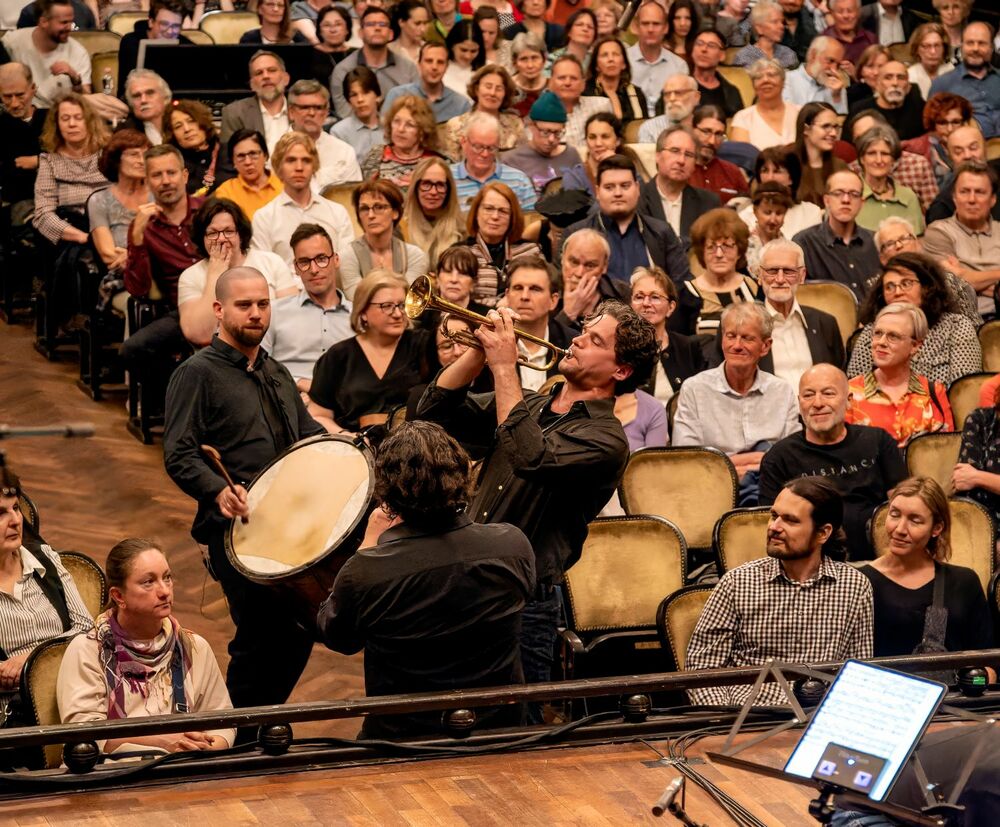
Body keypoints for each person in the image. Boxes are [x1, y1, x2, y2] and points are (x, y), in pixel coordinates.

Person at [416, 298, 658, 691]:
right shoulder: (529, 403)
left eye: (595, 340)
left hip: (523, 603)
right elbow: (432, 413)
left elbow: (529, 455)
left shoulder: (606, 440)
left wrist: (503, 365)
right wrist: (479, 351)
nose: (577, 341)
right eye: (583, 331)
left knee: (514, 723)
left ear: (621, 369)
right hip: (463, 583)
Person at [164, 267, 325, 716]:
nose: (256, 313)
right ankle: (238, 733)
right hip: (237, 533)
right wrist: (217, 490)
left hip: (288, 529)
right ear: (219, 310)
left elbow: (307, 434)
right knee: (259, 638)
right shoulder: (196, 374)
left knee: (296, 631)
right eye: (244, 305)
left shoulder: (274, 371)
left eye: (263, 304)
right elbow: (179, 453)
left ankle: (253, 725)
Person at [318, 421, 534, 739]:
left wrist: (367, 546)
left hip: (404, 738)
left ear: (386, 492)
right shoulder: (513, 545)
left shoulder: (367, 570)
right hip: (499, 729)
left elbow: (340, 638)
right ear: (463, 475)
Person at [686, 475, 874, 706]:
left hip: (817, 716)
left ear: (823, 533)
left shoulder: (854, 586)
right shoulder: (738, 582)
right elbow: (703, 669)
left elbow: (858, 672)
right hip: (747, 717)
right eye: (774, 516)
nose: (774, 527)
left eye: (790, 520)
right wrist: (728, 721)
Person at [56, 538, 236, 755]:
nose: (164, 591)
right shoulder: (88, 651)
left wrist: (204, 749)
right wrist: (163, 743)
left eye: (167, 578)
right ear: (118, 596)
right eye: (148, 582)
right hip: (115, 774)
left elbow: (223, 722)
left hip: (186, 769)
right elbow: (86, 738)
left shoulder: (194, 647)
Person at [760, 363, 906, 559]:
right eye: (808, 395)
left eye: (828, 393)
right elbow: (772, 524)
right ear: (799, 403)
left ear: (848, 401)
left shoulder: (878, 441)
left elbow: (904, 506)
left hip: (880, 561)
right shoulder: (779, 457)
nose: (817, 403)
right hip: (807, 565)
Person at [861, 477, 993, 661]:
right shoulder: (861, 582)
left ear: (936, 528)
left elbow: (987, 658)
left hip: (952, 688)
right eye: (895, 514)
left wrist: (977, 681)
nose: (900, 528)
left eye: (915, 520)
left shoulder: (963, 581)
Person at [673, 302, 800, 486]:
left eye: (747, 338)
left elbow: (792, 457)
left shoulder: (782, 391)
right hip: (712, 487)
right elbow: (688, 458)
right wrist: (756, 462)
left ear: (765, 346)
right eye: (730, 336)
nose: (737, 345)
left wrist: (724, 462)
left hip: (770, 490)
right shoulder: (694, 389)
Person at [0, 465, 92, 701]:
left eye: (16, 508)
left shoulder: (44, 559)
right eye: (1, 513)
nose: (15, 521)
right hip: (12, 710)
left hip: (72, 689)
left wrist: (32, 659)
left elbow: (86, 629)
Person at [308, 270, 431, 434]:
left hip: (416, 447)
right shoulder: (338, 356)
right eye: (386, 306)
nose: (397, 314)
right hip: (355, 452)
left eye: (402, 305)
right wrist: (347, 439)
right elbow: (318, 415)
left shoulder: (423, 344)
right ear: (363, 312)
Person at [121, 145, 202, 377]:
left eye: (171, 173)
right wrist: (137, 238)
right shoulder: (143, 226)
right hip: (182, 310)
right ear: (147, 182)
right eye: (157, 175)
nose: (165, 181)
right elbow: (138, 288)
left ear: (184, 176)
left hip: (225, 302)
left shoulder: (209, 209)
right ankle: (175, 397)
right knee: (131, 351)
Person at [178, 198, 297, 348]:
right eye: (213, 233)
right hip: (217, 360)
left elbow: (292, 320)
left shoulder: (272, 262)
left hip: (274, 350)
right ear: (202, 238)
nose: (221, 239)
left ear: (240, 235)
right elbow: (199, 334)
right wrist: (216, 273)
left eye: (228, 231)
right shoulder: (190, 276)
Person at [848, 252, 981, 385]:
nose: (898, 292)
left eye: (906, 283)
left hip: (939, 403)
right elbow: (854, 389)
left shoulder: (956, 326)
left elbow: (964, 389)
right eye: (889, 287)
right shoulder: (872, 331)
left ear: (927, 287)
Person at [845, 302, 955, 447]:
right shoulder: (849, 392)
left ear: (915, 346)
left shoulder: (934, 392)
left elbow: (945, 451)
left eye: (893, 336)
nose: (881, 342)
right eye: (878, 333)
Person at [262, 223, 353, 393]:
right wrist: (297, 383)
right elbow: (256, 364)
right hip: (288, 401)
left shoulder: (359, 316)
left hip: (345, 405)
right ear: (296, 268)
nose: (314, 269)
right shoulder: (274, 312)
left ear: (336, 260)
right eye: (304, 262)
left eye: (321, 259)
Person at [250, 131, 355, 269]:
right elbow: (263, 272)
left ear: (314, 166)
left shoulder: (337, 212)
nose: (299, 168)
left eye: (306, 160)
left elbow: (347, 266)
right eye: (291, 160)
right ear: (279, 167)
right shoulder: (264, 218)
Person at [756, 238, 844, 386]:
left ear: (802, 276)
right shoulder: (745, 325)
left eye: (789, 271)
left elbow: (838, 379)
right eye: (772, 271)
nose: (780, 279)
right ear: (759, 275)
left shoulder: (825, 323)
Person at [922, 160, 1000, 319]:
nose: (972, 199)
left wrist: (966, 275)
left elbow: (962, 282)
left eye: (979, 192)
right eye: (964, 191)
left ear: (992, 199)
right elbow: (952, 284)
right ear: (954, 197)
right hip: (961, 323)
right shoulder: (939, 231)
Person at [32, 92, 108, 250]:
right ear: (57, 124)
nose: (71, 124)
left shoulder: (109, 154)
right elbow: (43, 215)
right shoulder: (49, 161)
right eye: (65, 119)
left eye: (78, 118)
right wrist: (84, 238)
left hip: (112, 228)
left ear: (90, 121)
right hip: (74, 238)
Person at [792, 169, 881, 299]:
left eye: (854, 194)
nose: (846, 200)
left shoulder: (875, 241)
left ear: (862, 203)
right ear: (826, 200)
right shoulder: (804, 243)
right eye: (838, 193)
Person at [630, 265, 707, 405]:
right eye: (639, 297)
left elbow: (702, 401)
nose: (646, 303)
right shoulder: (619, 349)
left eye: (655, 297)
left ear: (671, 307)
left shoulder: (688, 348)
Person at [339, 179, 428, 299]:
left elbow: (408, 301)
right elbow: (358, 301)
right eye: (364, 209)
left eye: (379, 207)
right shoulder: (347, 255)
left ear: (395, 212)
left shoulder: (415, 256)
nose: (371, 215)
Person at [331, 6, 419, 119]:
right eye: (370, 24)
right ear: (360, 33)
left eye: (383, 24)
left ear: (391, 34)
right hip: (355, 133)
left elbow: (416, 106)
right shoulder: (343, 70)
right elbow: (344, 112)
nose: (377, 28)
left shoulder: (409, 68)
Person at [88, 129, 151, 289]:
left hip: (162, 271)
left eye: (146, 154)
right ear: (116, 160)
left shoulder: (159, 194)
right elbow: (108, 254)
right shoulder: (99, 200)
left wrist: (135, 258)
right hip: (122, 276)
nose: (142, 160)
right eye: (134, 154)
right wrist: (137, 261)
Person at [2, 0, 91, 108]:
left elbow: (87, 101)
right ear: (43, 22)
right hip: (21, 115)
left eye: (70, 22)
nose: (69, 27)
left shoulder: (78, 52)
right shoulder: (12, 43)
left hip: (58, 114)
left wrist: (74, 78)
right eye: (64, 22)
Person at [503, 255, 575, 389]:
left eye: (535, 289)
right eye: (518, 288)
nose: (524, 296)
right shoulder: (489, 340)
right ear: (507, 296)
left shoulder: (573, 344)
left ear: (553, 301)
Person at [464, 181, 541, 306]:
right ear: (476, 213)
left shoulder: (531, 252)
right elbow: (454, 299)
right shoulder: (462, 253)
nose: (495, 216)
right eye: (488, 209)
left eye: (503, 211)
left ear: (512, 217)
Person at [639, 125, 720, 242]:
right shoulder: (637, 198)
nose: (681, 161)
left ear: (694, 164)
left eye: (688, 155)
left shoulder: (708, 203)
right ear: (657, 156)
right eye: (675, 151)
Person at [685, 208, 756, 338]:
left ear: (739, 250)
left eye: (727, 246)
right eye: (711, 247)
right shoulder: (687, 294)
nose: (719, 254)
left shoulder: (755, 289)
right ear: (702, 252)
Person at [450, 112, 536, 210]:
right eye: (478, 147)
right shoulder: (447, 177)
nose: (485, 154)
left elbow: (531, 220)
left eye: (491, 148)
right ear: (463, 142)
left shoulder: (519, 181)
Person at [287, 79, 363, 190]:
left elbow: (352, 198)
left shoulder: (344, 152)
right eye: (305, 107)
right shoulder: (274, 150)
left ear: (326, 112)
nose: (312, 113)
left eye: (318, 108)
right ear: (291, 112)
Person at [928, 22, 1000, 139]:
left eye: (981, 43)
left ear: (991, 48)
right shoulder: (942, 84)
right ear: (962, 47)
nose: (975, 49)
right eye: (970, 43)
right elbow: (932, 132)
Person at [501, 90, 582, 194]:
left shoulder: (571, 155)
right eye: (545, 132)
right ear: (531, 127)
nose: (551, 139)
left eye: (557, 133)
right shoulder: (511, 160)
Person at [440, 63, 525, 160]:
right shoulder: (456, 125)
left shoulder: (515, 124)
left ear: (505, 93)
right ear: (477, 89)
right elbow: (451, 165)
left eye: (499, 89)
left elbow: (522, 162)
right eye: (488, 87)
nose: (492, 93)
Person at [219, 51, 291, 162]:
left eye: (272, 70)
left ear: (286, 78)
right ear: (252, 84)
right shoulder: (235, 113)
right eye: (259, 73)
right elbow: (229, 161)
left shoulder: (302, 108)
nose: (266, 76)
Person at [362, 94, 444, 190]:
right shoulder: (376, 155)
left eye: (410, 125)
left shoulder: (435, 162)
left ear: (422, 131)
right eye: (396, 121)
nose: (400, 129)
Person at [739, 148, 824, 240]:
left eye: (777, 171)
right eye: (765, 171)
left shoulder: (810, 213)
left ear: (792, 178)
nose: (770, 178)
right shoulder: (746, 215)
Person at [382, 41, 472, 126]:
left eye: (440, 62)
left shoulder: (461, 105)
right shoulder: (397, 95)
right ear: (419, 64)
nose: (434, 67)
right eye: (429, 61)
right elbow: (384, 132)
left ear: (446, 66)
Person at [854, 125, 924, 234]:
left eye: (885, 154)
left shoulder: (908, 197)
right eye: (872, 153)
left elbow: (918, 241)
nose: (878, 160)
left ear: (893, 160)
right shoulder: (850, 195)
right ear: (862, 159)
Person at [924, 124, 1000, 224]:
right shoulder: (943, 206)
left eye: (973, 148)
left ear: (985, 148)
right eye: (958, 152)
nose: (967, 155)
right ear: (949, 156)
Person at [400, 157, 465, 269]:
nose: (433, 192)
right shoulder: (400, 227)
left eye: (440, 185)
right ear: (416, 187)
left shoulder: (462, 229)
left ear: (448, 190)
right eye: (426, 184)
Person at [627, 0, 689, 118]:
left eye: (656, 24)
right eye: (645, 23)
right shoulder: (623, 60)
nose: (650, 29)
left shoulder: (679, 66)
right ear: (636, 27)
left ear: (665, 28)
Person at [0, 63, 47, 217]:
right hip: (14, 205)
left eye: (20, 95)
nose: (14, 104)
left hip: (56, 198)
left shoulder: (53, 119)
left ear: (33, 89)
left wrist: (39, 161)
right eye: (7, 96)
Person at [116, 0, 188, 95]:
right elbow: (127, 86)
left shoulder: (186, 44)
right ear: (151, 22)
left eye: (176, 26)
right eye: (164, 24)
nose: (170, 31)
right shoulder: (131, 42)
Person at [902, 92, 971, 187]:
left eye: (955, 122)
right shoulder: (916, 148)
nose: (950, 129)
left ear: (964, 122)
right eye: (942, 123)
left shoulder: (972, 147)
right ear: (933, 124)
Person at [212, 130, 282, 221]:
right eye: (241, 156)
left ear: (265, 155)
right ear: (233, 161)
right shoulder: (226, 192)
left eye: (253, 154)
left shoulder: (284, 186)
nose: (248, 162)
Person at [730, 59, 800, 150]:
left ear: (783, 81)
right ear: (753, 85)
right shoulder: (743, 118)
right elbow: (742, 159)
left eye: (771, 75)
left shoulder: (800, 112)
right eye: (758, 77)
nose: (765, 80)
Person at [787, 101, 847, 206]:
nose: (833, 133)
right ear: (806, 129)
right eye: (826, 126)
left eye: (835, 127)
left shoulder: (840, 166)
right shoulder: (786, 164)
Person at [848, 60, 925, 142]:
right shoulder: (859, 110)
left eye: (901, 78)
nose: (895, 83)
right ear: (878, 84)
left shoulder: (920, 109)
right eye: (888, 78)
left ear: (908, 86)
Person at [165, 100, 230, 197]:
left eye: (191, 121)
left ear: (203, 122)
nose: (187, 129)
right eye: (178, 126)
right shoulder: (171, 163)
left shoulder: (231, 152)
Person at [548, 54, 613, 150]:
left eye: (573, 78)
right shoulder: (538, 111)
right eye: (561, 78)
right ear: (550, 83)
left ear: (583, 84)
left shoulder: (602, 106)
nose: (567, 83)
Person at [689, 104, 749, 204]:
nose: (712, 141)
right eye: (706, 131)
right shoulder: (680, 169)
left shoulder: (733, 172)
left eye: (718, 134)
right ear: (692, 130)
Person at [330, 66, 385, 168]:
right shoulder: (339, 132)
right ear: (349, 101)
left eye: (365, 93)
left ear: (377, 96)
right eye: (354, 95)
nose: (360, 100)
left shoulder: (391, 128)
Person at [585, 36, 648, 123]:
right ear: (596, 65)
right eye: (604, 55)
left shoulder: (636, 93)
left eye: (615, 54)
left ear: (624, 64)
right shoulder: (585, 92)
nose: (611, 59)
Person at [783, 35, 849, 114]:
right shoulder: (786, 79)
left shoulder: (837, 88)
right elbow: (788, 116)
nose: (834, 69)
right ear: (813, 55)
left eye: (838, 65)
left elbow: (840, 122)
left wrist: (836, 96)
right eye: (830, 61)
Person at [688, 27, 744, 120]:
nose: (704, 49)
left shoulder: (732, 93)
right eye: (699, 44)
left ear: (722, 55)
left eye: (711, 45)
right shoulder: (679, 86)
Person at [733, 1, 799, 70]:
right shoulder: (744, 56)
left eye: (782, 22)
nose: (781, 26)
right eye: (774, 22)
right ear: (759, 28)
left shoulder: (789, 54)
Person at [636, 74, 701, 143]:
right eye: (667, 94)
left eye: (679, 93)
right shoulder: (650, 128)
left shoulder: (706, 128)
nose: (672, 98)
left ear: (696, 97)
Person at [118, 69, 170, 146]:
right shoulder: (122, 134)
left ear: (165, 96)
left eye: (150, 93)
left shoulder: (182, 123)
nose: (143, 100)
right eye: (137, 96)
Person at [906, 23, 953, 101]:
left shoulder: (954, 73)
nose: (933, 51)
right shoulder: (910, 76)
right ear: (916, 49)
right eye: (926, 46)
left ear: (944, 48)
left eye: (937, 45)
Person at [309, 6, 357, 82]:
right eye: (327, 25)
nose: (333, 30)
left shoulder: (358, 55)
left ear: (347, 29)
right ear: (319, 31)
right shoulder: (307, 55)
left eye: (338, 24)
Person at [822, 0, 876, 67]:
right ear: (832, 13)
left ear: (858, 12)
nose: (845, 16)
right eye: (840, 11)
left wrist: (855, 73)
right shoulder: (823, 41)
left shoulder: (870, 39)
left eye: (850, 11)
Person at [544, 8, 596, 76]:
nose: (585, 29)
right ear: (569, 32)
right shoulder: (553, 58)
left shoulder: (596, 59)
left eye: (590, 27)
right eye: (579, 24)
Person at [509, 31, 548, 118]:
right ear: (514, 63)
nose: (530, 65)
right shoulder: (506, 87)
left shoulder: (553, 87)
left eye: (535, 58)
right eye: (523, 59)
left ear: (544, 60)